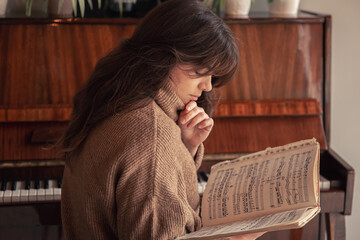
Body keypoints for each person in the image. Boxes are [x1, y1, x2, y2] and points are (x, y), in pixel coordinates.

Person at [60, 0, 264, 239]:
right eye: (201, 71)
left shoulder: (117, 100)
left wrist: (183, 148)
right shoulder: (153, 135)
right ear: (163, 56)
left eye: (212, 75)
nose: (207, 86)